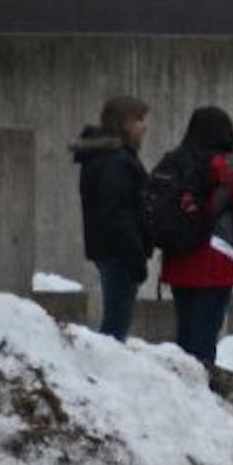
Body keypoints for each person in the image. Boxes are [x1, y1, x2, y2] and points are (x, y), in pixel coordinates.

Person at [157, 106, 233, 367]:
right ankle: (201, 391)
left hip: (178, 254)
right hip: (216, 255)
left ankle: (182, 390)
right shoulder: (228, 163)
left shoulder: (173, 161)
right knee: (205, 331)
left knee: (185, 330)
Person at [70, 95, 152, 340]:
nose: (144, 126)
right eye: (139, 120)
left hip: (113, 250)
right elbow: (117, 212)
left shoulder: (110, 157)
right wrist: (135, 254)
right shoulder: (115, 161)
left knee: (116, 319)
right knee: (116, 324)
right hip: (118, 252)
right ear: (125, 123)